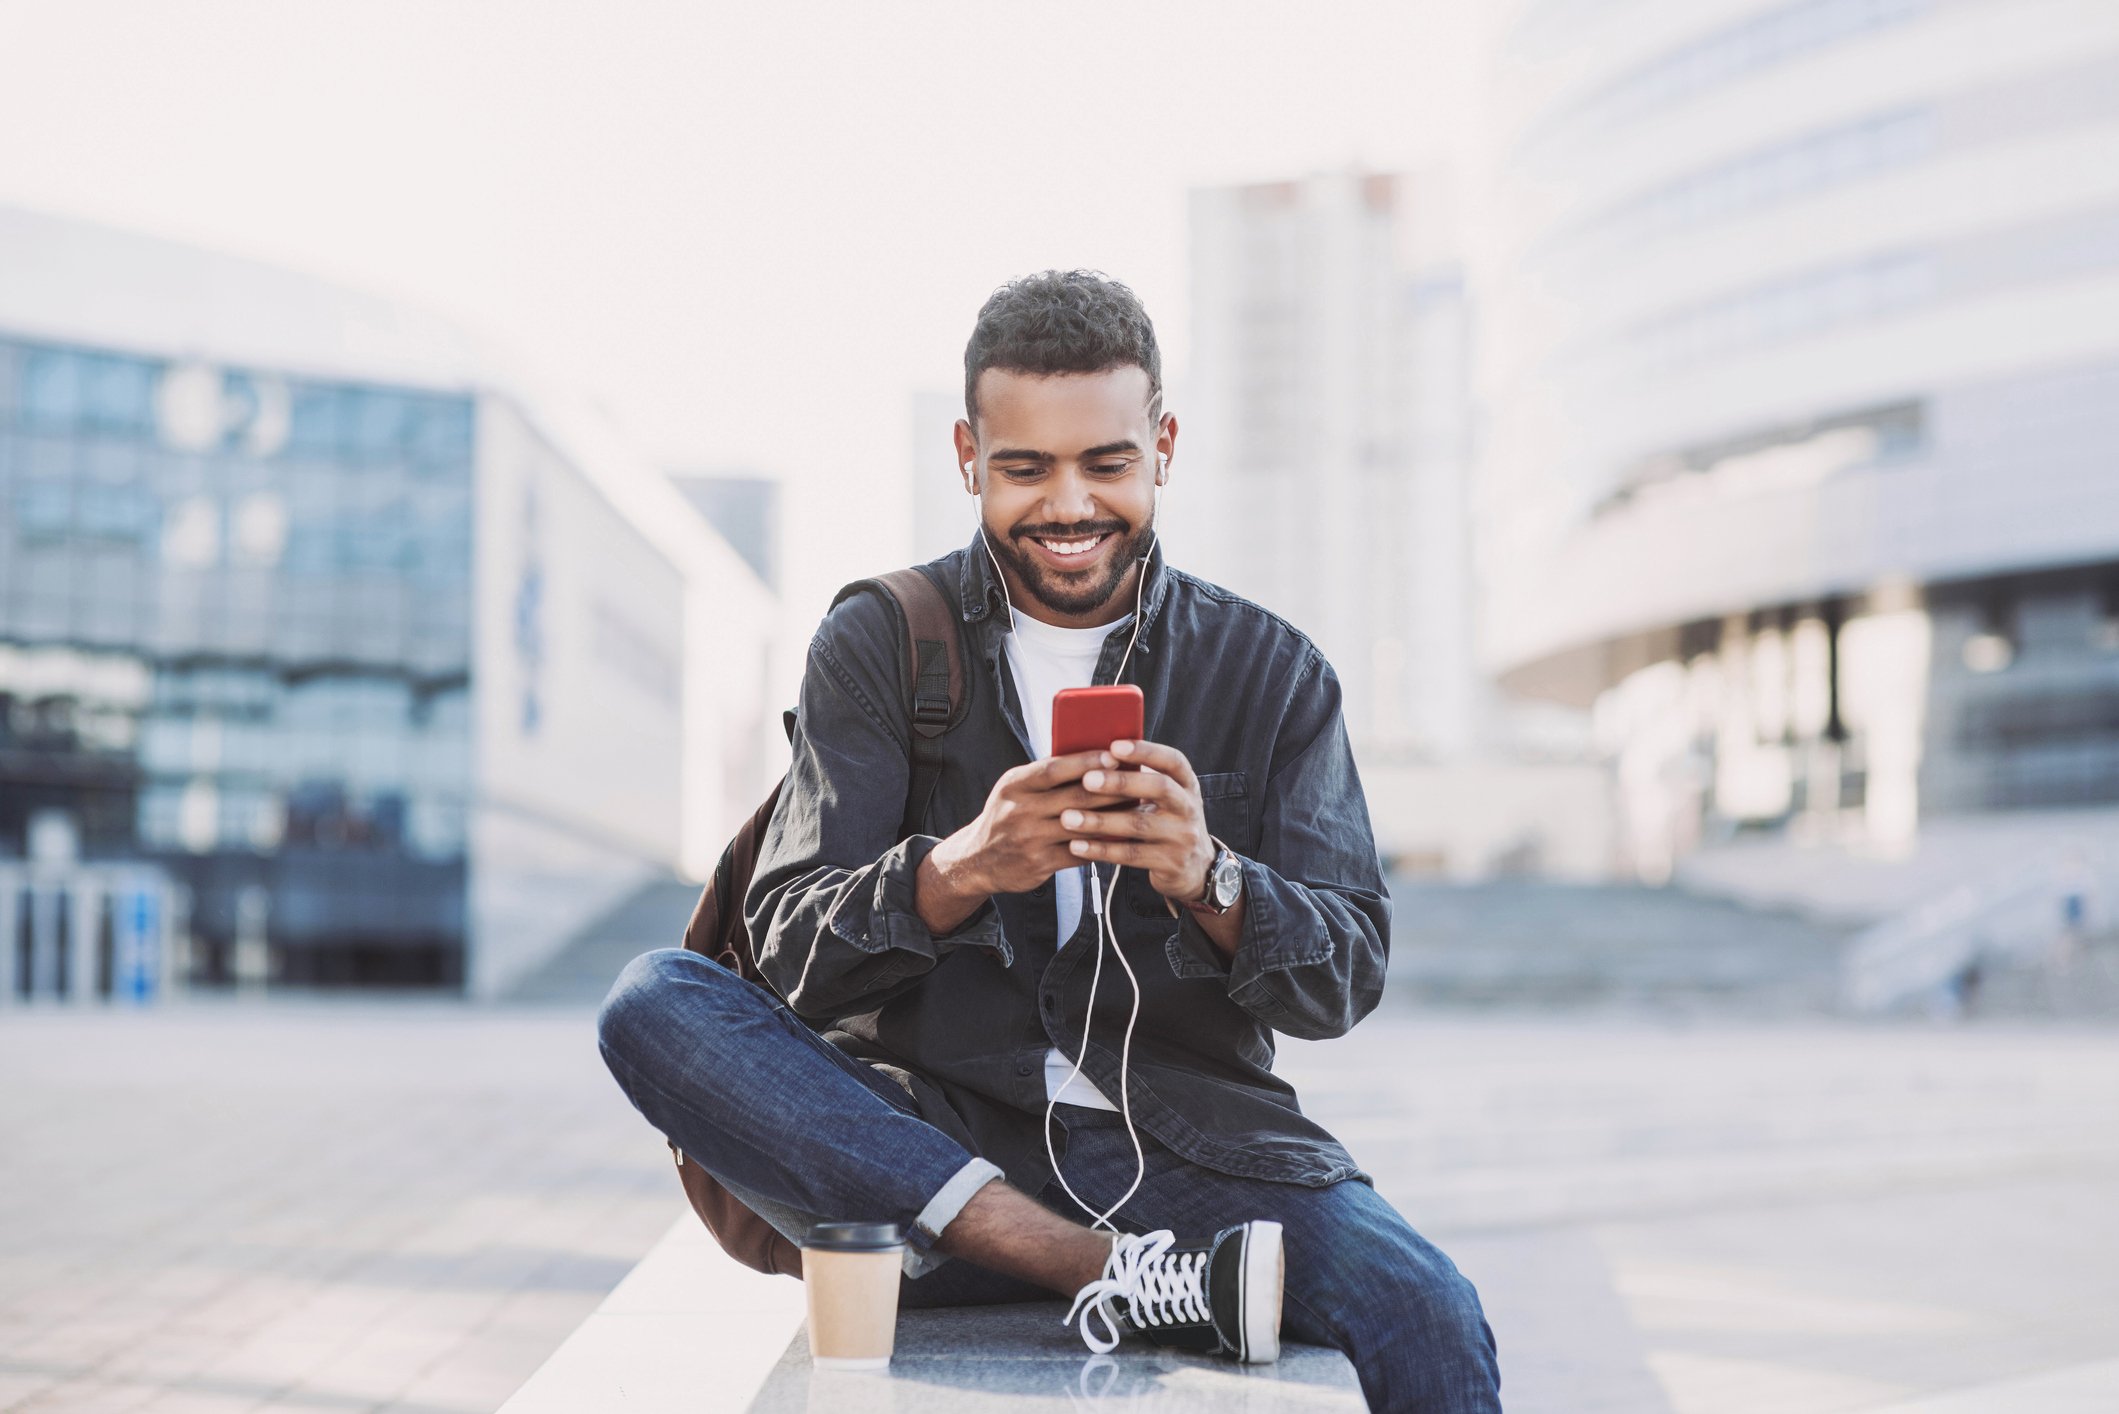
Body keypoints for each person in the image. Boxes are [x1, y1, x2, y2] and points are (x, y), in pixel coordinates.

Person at [597, 270, 1500, 1411]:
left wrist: (1207, 877)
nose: (1068, 506)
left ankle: (1162, 1270)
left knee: (1427, 1309)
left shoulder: (1270, 673)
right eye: (1025, 468)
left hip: (1194, 1157)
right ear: (970, 456)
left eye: (1107, 464)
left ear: (1162, 444)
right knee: (650, 1001)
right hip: (923, 1163)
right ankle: (1115, 1276)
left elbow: (1345, 976)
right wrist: (961, 868)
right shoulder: (878, 639)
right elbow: (783, 949)